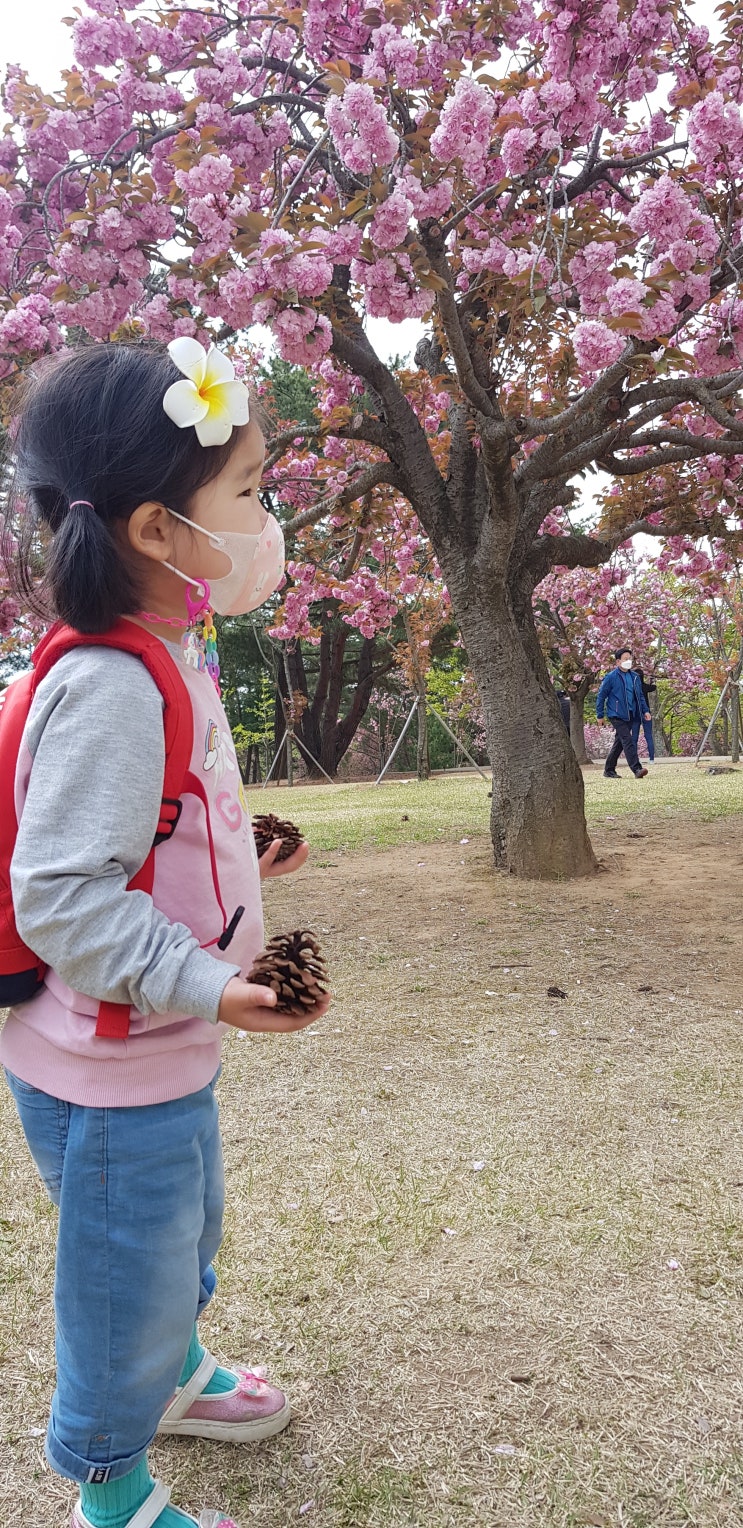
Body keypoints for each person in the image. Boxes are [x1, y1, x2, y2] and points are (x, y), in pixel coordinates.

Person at [1, 340, 331, 1528]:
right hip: (106, 1066)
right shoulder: (112, 682)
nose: (264, 516)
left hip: (156, 1047)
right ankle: (111, 1488)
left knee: (181, 1239)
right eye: (244, 492)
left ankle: (178, 1377)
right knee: (120, 1281)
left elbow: (163, 822)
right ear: (154, 528)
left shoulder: (168, 653)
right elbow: (64, 896)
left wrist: (254, 854)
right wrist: (208, 980)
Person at [595, 646, 650, 779]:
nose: (628, 661)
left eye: (630, 659)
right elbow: (601, 696)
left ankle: (609, 770)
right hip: (616, 713)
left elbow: (640, 696)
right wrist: (600, 715)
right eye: (625, 659)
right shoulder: (611, 677)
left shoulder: (635, 677)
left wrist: (645, 711)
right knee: (627, 740)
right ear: (618, 662)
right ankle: (637, 769)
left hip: (631, 713)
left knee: (619, 742)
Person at [632, 664, 656, 762]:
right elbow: (653, 687)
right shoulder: (645, 687)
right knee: (648, 736)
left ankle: (634, 758)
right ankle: (651, 759)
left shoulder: (632, 688)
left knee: (634, 737)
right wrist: (652, 680)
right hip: (646, 713)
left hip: (635, 713)